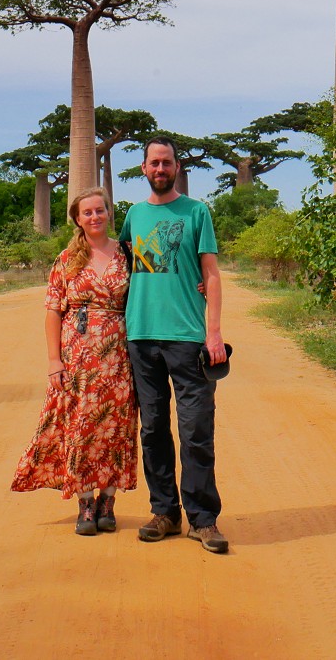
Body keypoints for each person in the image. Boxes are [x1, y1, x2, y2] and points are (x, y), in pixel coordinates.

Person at [121, 137, 229, 554]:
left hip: (187, 337)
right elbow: (125, 268)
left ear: (176, 166)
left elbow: (211, 273)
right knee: (152, 430)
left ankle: (203, 519)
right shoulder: (133, 216)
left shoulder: (197, 212)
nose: (160, 169)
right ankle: (164, 511)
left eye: (167, 162)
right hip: (141, 337)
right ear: (144, 168)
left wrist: (213, 331)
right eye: (154, 163)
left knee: (196, 430)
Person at [10, 187, 137, 535]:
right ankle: (84, 503)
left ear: (109, 213)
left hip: (120, 357)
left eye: (100, 210)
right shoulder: (67, 259)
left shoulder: (129, 253)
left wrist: (197, 283)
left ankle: (107, 502)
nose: (94, 217)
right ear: (77, 220)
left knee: (116, 428)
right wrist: (54, 361)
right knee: (80, 427)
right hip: (76, 357)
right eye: (87, 213)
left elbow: (161, 282)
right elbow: (53, 311)